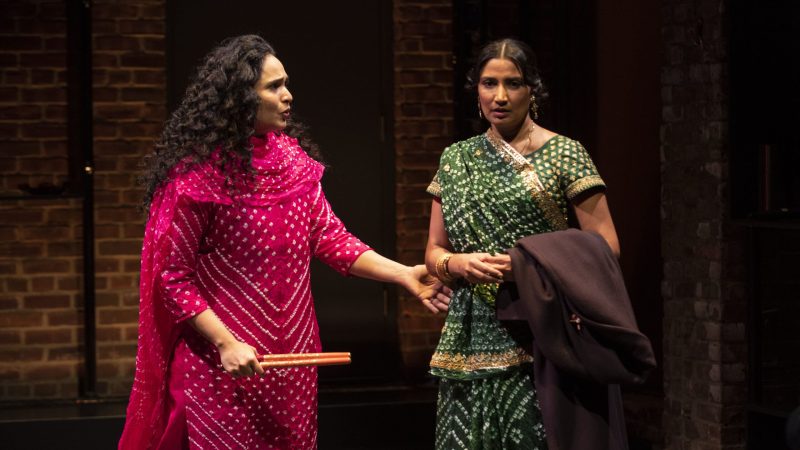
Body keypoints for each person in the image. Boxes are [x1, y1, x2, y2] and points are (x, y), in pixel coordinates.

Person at [118, 34, 449, 450]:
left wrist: (404, 275)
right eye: (274, 87)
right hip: (222, 362)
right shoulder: (194, 178)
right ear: (240, 98)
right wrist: (226, 342)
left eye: (286, 83)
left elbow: (330, 238)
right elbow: (172, 279)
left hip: (292, 359)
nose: (288, 96)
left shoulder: (293, 162)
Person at [425, 38, 620, 448]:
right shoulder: (456, 159)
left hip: (540, 330)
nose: (499, 96)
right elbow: (434, 252)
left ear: (532, 89)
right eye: (488, 83)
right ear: (475, 89)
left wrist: (528, 266)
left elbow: (605, 246)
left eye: (512, 83)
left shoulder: (565, 153)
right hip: (468, 333)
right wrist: (456, 265)